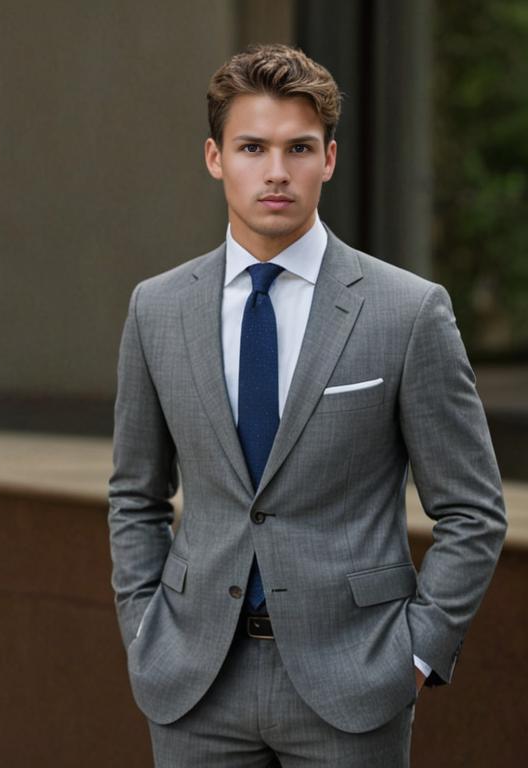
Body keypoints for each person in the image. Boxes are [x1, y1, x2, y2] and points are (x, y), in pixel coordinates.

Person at [107, 44, 506, 767]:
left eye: (298, 148)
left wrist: (415, 654)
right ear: (214, 157)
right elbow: (135, 494)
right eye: (252, 147)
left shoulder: (407, 312)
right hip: (195, 681)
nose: (276, 171)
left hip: (354, 682)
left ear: (329, 158)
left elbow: (474, 510)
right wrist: (144, 628)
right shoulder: (157, 309)